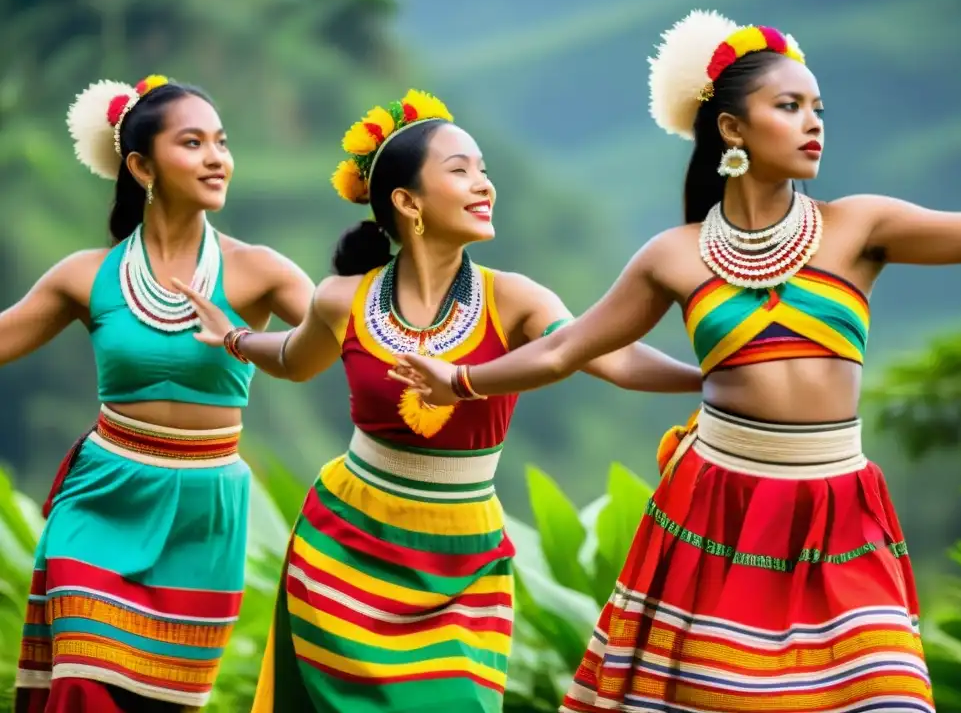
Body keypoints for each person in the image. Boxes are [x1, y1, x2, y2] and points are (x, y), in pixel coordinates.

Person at [383, 9, 961, 712]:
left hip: (840, 506)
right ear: (732, 130)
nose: (814, 123)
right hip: (723, 506)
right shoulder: (675, 255)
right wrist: (462, 379)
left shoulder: (860, 225)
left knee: (886, 698)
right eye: (790, 106)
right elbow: (568, 346)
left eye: (818, 109)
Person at [173, 88, 703, 712]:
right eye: (461, 171)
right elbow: (291, 358)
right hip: (345, 547)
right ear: (407, 202)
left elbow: (606, 355)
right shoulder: (342, 298)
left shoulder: (515, 299)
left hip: (461, 563)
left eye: (484, 171)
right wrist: (234, 337)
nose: (484, 185)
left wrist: (709, 378)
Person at [8, 74, 314, 712]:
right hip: (103, 499)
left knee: (161, 703)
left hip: (202, 515)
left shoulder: (261, 270)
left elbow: (334, 349)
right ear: (142, 165)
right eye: (194, 142)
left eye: (221, 143)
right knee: (85, 683)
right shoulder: (85, 275)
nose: (216, 158)